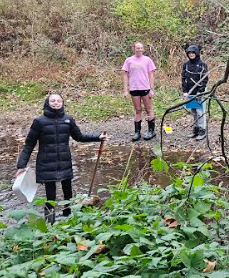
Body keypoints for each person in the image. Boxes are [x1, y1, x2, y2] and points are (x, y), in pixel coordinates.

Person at [16, 94, 107, 222]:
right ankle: (50, 223)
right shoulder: (39, 121)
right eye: (52, 101)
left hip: (64, 162)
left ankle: (68, 218)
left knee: (68, 193)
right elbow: (29, 144)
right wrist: (21, 165)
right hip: (46, 163)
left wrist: (97, 137)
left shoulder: (68, 119)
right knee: (50, 197)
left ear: (62, 103)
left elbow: (79, 136)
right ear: (47, 103)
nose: (56, 103)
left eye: (59, 101)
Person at [122, 42, 157, 141]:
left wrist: (151, 89)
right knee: (138, 110)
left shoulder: (147, 60)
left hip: (145, 88)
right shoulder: (129, 60)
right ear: (134, 49)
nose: (139, 49)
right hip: (134, 88)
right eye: (138, 48)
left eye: (141, 48)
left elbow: (151, 75)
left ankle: (151, 131)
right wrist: (125, 90)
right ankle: (137, 132)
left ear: (143, 49)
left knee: (149, 109)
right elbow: (125, 75)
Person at [181, 45, 209, 141]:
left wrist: (200, 91)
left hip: (199, 91)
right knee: (193, 111)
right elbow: (183, 78)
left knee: (200, 111)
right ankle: (196, 129)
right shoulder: (186, 64)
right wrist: (185, 91)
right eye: (189, 53)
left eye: (193, 53)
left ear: (196, 53)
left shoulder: (202, 64)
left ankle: (202, 130)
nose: (191, 55)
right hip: (190, 91)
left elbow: (205, 79)